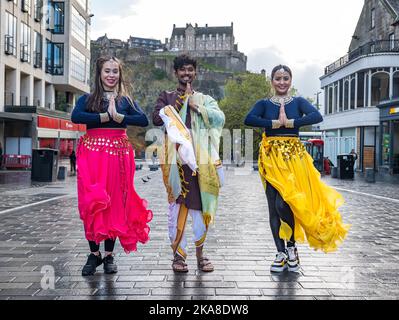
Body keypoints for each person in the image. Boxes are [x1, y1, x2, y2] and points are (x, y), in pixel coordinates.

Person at [244, 65, 350, 273]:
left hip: (293, 157)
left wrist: (292, 121)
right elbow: (249, 119)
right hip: (271, 156)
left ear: (290, 80)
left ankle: (292, 247)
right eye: (277, 78)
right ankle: (280, 253)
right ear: (272, 81)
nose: (281, 82)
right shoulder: (264, 103)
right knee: (273, 206)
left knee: (285, 204)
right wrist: (274, 123)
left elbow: (316, 116)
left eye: (285, 78)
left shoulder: (299, 102)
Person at [71, 56, 153, 276]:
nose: (111, 75)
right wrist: (105, 116)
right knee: (91, 202)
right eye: (107, 71)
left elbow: (143, 120)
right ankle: (93, 253)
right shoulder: (88, 99)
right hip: (92, 155)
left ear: (120, 74)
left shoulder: (126, 100)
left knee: (115, 202)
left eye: (115, 71)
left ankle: (108, 255)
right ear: (99, 74)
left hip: (118, 155)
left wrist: (120, 117)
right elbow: (76, 116)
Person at [153, 54, 225, 273]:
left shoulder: (204, 99)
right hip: (175, 163)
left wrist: (197, 107)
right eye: (182, 70)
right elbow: (156, 118)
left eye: (190, 70)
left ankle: (201, 256)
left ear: (195, 72)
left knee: (200, 207)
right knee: (177, 207)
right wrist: (177, 103)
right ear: (176, 73)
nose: (186, 74)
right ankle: (178, 257)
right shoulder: (166, 96)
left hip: (201, 163)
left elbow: (219, 117)